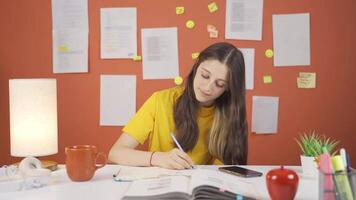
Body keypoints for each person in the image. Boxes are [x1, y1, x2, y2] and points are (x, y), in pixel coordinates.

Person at [108, 42, 248, 169]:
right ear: (196, 66)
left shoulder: (229, 114)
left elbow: (229, 170)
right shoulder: (161, 101)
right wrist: (157, 158)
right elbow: (115, 153)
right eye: (205, 76)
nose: (207, 87)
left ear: (228, 88)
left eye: (220, 84)